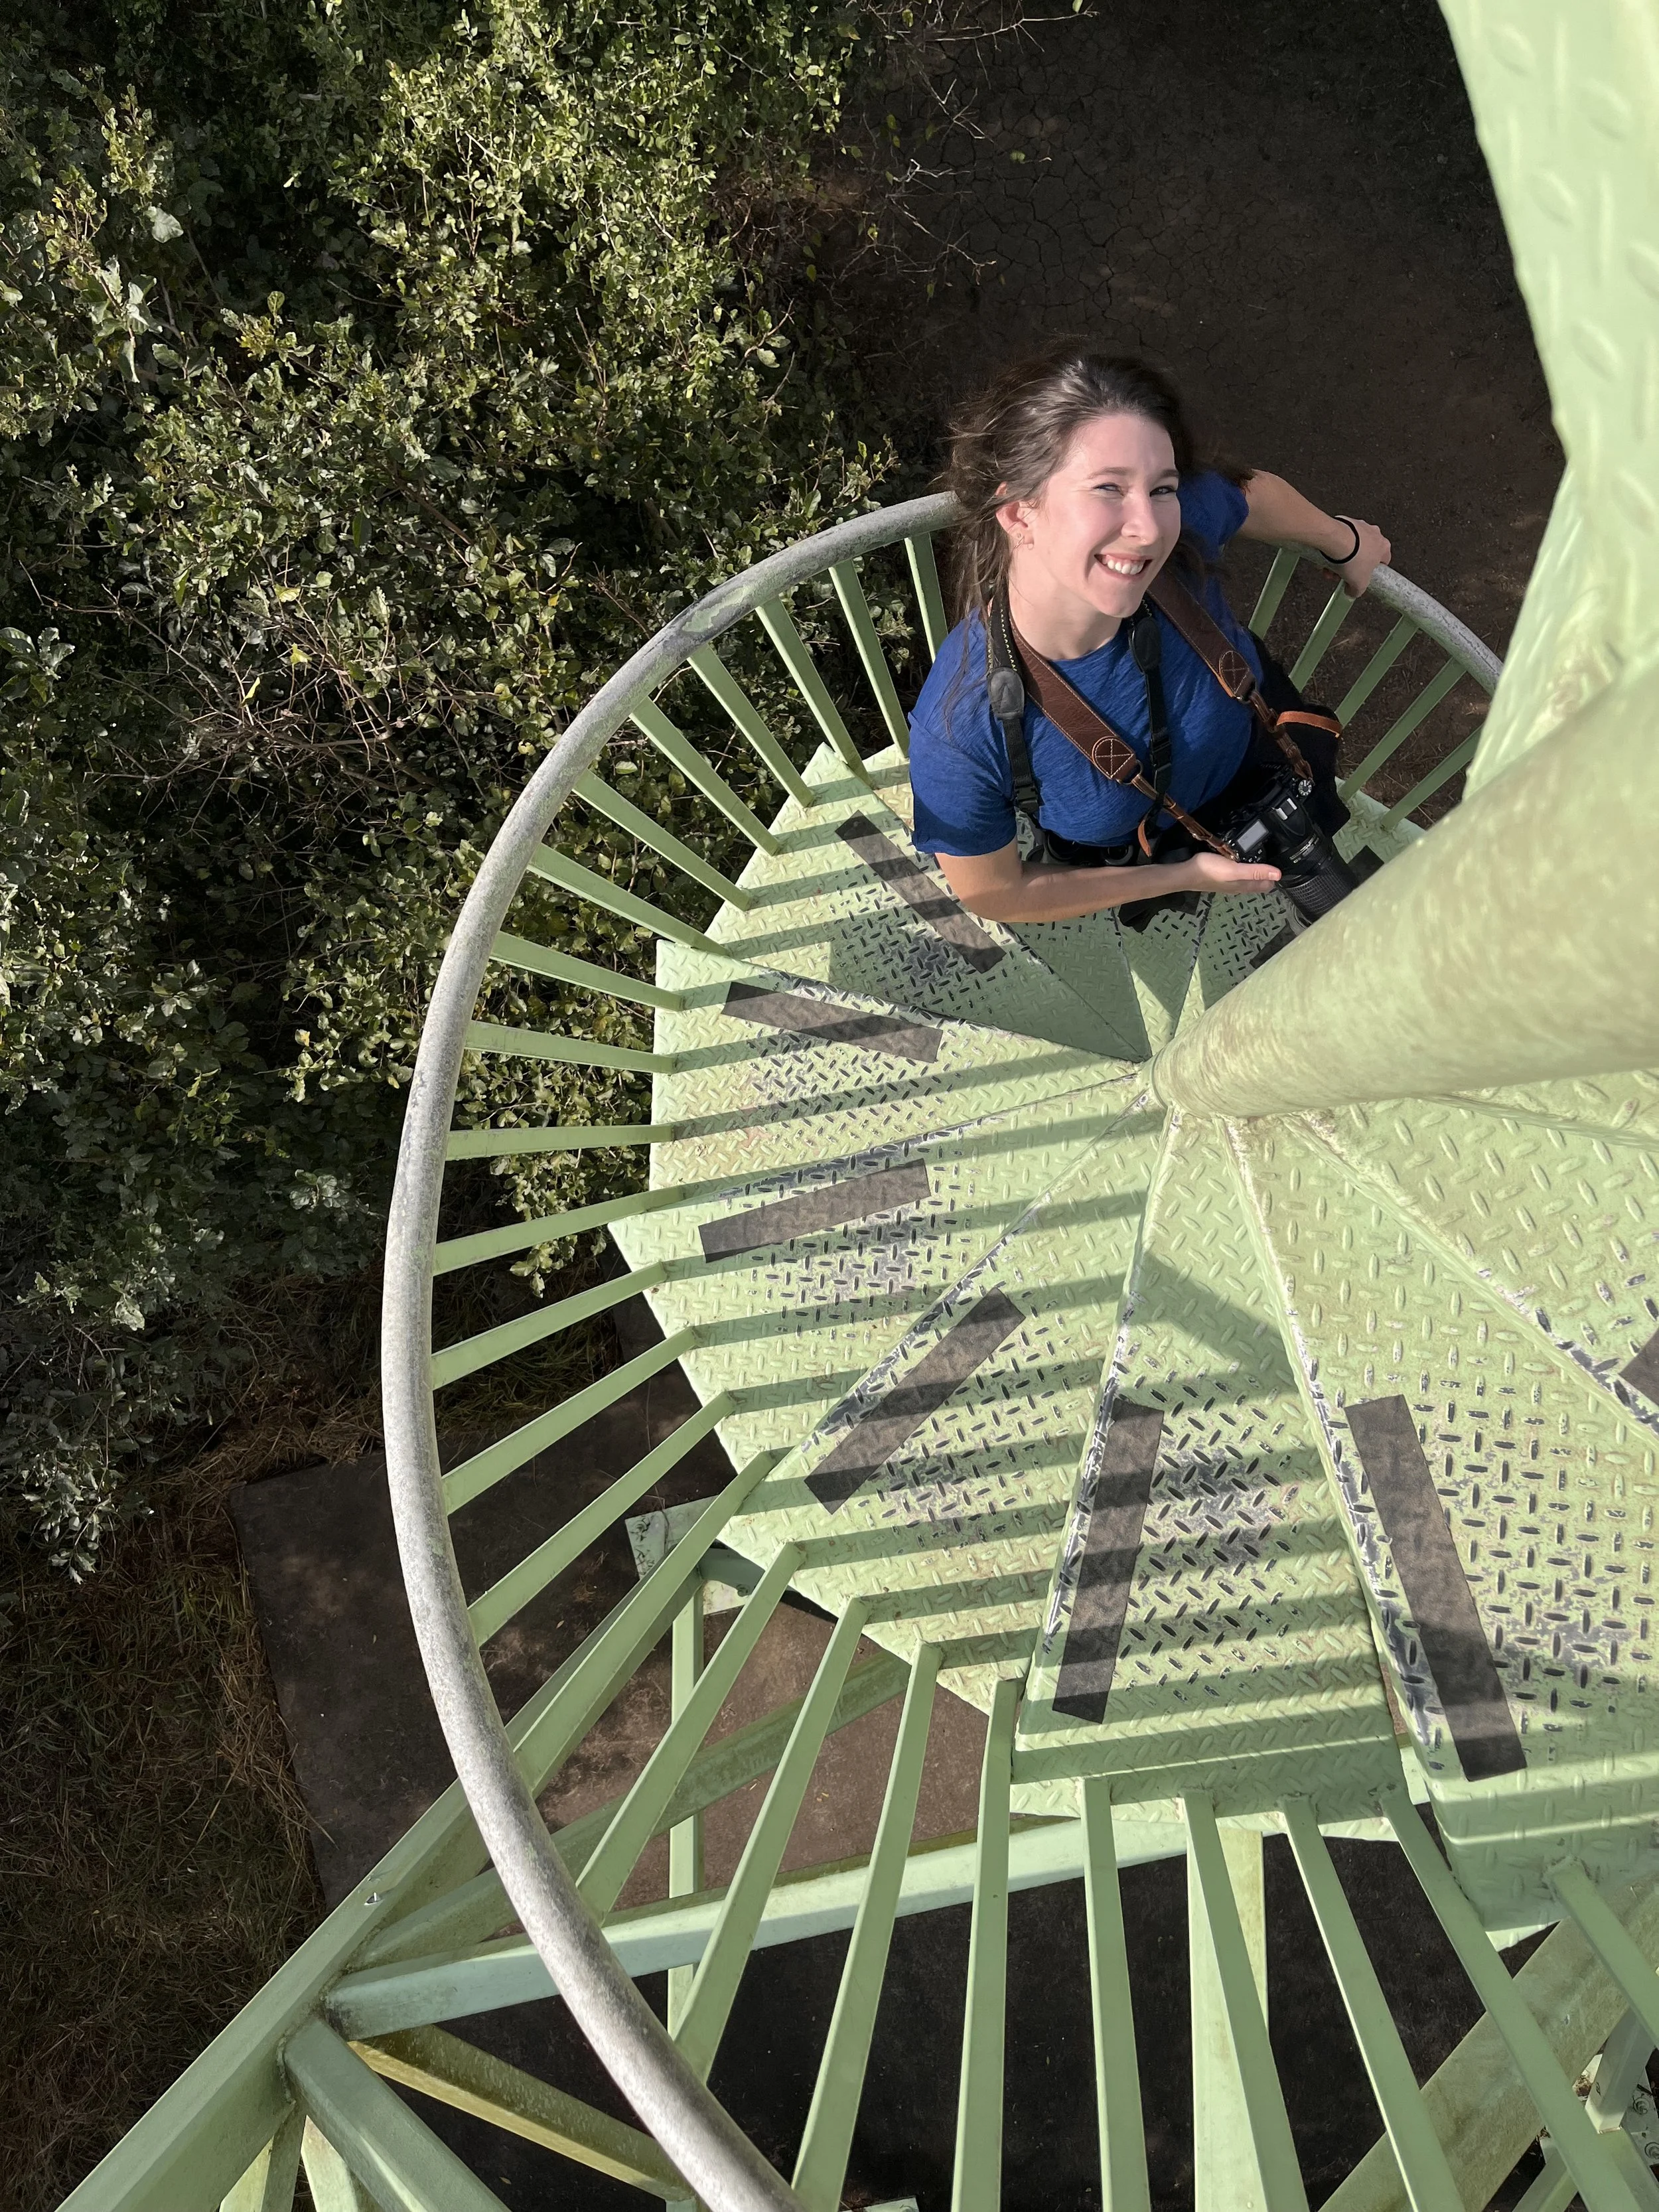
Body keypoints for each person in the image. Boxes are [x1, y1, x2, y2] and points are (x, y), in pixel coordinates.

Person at [908, 348, 1392, 924]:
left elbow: (1248, 492)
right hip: (1151, 853)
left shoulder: (1177, 530)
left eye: (1162, 488)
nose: (1150, 530)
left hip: (1266, 766)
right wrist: (1181, 876)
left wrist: (1345, 542)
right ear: (1018, 514)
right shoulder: (961, 732)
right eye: (1109, 488)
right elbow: (995, 892)